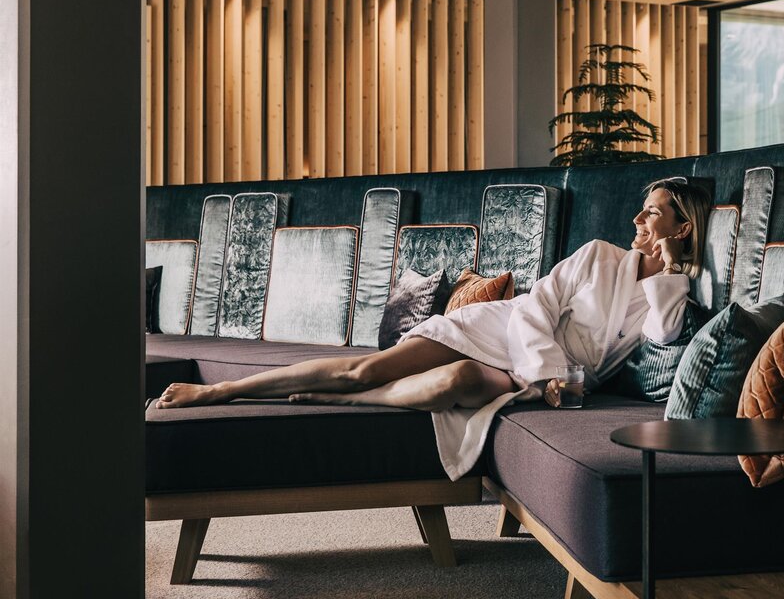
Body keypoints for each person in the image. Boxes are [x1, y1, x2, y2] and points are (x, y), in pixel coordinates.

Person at [157, 179, 711, 479]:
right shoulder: (598, 256)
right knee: (363, 368)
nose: (638, 219)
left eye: (653, 212)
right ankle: (221, 390)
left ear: (682, 227)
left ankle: (355, 402)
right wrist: (551, 376)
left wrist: (669, 273)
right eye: (641, 209)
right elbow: (534, 310)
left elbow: (663, 338)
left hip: (535, 378)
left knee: (456, 383)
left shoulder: (674, 290)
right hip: (505, 335)